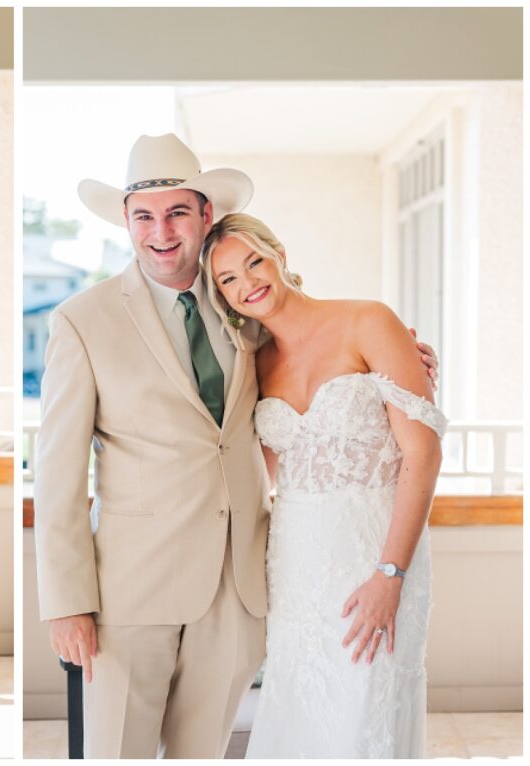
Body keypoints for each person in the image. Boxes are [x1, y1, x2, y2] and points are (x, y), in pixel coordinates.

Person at [33, 133, 438, 758]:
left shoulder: (246, 316)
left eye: (176, 213)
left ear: (204, 215)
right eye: (144, 216)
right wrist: (66, 603)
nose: (160, 231)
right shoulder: (81, 321)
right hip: (130, 592)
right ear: (127, 221)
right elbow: (58, 474)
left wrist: (407, 375)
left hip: (240, 590)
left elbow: (300, 406)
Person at [202, 213, 445, 758]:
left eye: (253, 263)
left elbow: (423, 453)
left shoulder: (368, 321)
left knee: (368, 710)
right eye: (228, 280)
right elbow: (260, 473)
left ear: (280, 255)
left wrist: (390, 574)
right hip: (296, 565)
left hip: (376, 553)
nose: (248, 283)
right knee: (303, 711)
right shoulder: (252, 362)